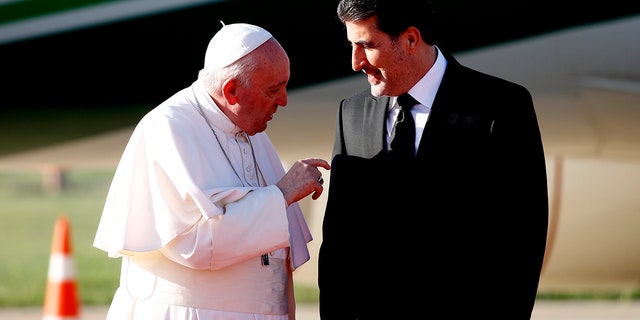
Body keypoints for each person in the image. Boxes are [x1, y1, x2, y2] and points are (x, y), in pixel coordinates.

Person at [317, 0, 549, 319]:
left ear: (411, 39)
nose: (356, 62)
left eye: (366, 45)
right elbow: (340, 241)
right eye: (351, 45)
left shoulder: (503, 107)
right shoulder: (351, 112)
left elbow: (523, 238)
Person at [93, 22, 330, 320]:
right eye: (273, 90)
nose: (283, 101)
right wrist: (281, 195)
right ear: (231, 90)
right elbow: (195, 243)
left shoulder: (252, 130)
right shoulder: (168, 127)